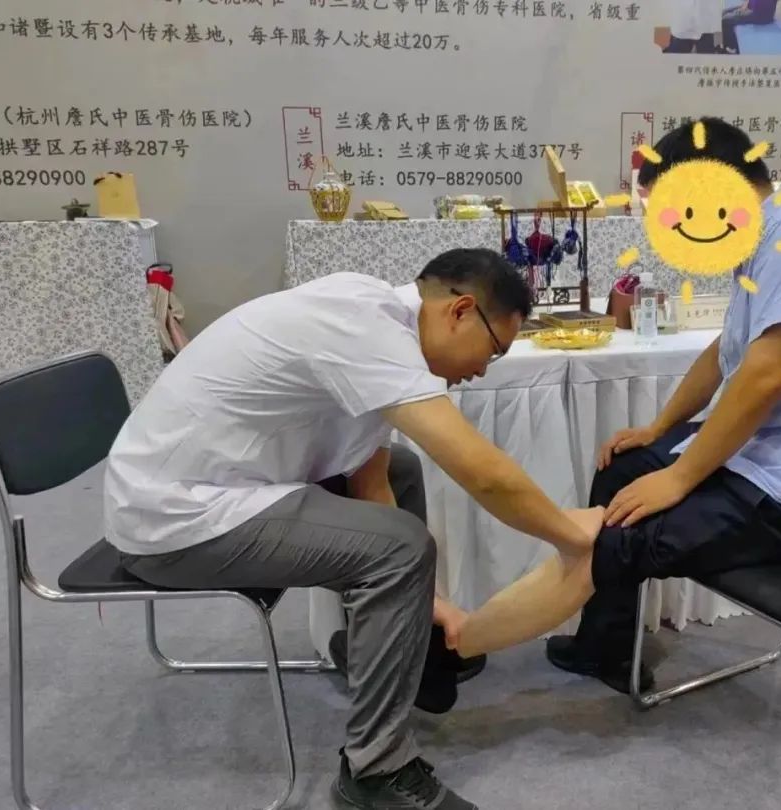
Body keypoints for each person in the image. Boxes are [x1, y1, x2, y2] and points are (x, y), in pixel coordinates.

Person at [103, 248, 604, 810]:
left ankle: (395, 650)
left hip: (208, 486)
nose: (482, 371)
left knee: (402, 477)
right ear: (460, 311)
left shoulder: (381, 330)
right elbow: (483, 474)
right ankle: (375, 769)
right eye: (492, 351)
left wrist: (427, 602)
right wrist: (571, 536)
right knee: (400, 551)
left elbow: (372, 482)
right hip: (174, 518)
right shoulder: (365, 327)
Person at [443, 117, 781, 694]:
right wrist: (659, 428)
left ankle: (450, 650)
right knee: (624, 466)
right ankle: (605, 647)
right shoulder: (769, 234)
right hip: (764, 460)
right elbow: (727, 352)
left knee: (614, 539)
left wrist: (680, 476)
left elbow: (767, 375)